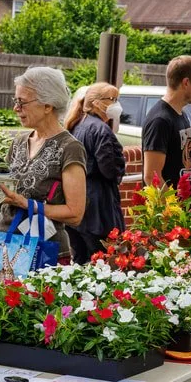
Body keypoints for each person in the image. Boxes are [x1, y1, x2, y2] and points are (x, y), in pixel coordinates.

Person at [0, 67, 87, 265]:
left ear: (48, 105)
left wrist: (28, 205)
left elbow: (75, 213)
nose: (15, 108)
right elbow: (10, 194)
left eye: (22, 102)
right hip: (4, 241)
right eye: (15, 101)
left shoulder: (70, 148)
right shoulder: (19, 142)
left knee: (32, 297)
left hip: (43, 251)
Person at [65, 82, 127, 263]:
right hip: (98, 209)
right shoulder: (101, 130)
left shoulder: (77, 125)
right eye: (112, 99)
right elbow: (108, 169)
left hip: (79, 206)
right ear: (97, 103)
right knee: (103, 262)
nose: (117, 104)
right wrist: (119, 169)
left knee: (80, 261)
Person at [142, 56, 191, 189]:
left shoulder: (182, 115)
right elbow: (151, 177)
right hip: (168, 209)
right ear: (186, 83)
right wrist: (174, 208)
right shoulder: (160, 120)